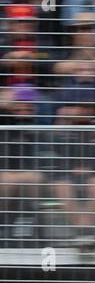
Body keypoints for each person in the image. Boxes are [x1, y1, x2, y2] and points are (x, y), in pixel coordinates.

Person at [46, 101, 95, 251]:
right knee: (62, 186)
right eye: (79, 108)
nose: (83, 111)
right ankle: (86, 233)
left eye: (87, 108)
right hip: (64, 175)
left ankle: (83, 233)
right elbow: (54, 157)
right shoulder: (60, 131)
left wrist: (90, 169)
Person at [0, 85, 44, 244]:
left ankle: (30, 221)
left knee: (31, 178)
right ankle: (5, 224)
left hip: (33, 171)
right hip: (6, 171)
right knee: (6, 179)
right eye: (20, 103)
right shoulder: (5, 119)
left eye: (28, 104)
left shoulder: (41, 122)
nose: (24, 107)